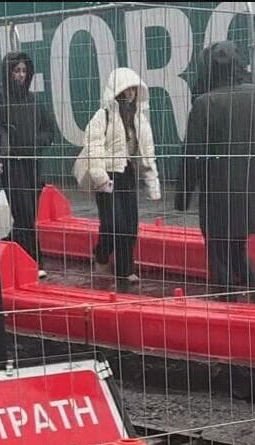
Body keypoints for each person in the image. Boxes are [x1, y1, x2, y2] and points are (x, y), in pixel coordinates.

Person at [179, 40, 255, 294]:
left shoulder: (204, 103)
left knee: (218, 253)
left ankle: (228, 299)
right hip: (251, 190)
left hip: (217, 193)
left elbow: (192, 155)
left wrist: (184, 196)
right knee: (238, 245)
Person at [76, 67, 160, 286]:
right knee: (114, 223)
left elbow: (147, 151)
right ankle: (102, 253)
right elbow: (93, 147)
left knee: (130, 225)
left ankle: (125, 270)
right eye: (126, 89)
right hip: (107, 175)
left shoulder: (138, 118)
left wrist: (152, 182)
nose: (130, 93)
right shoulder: (102, 116)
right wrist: (101, 178)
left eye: (133, 89)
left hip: (127, 174)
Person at [0, 51, 58, 275]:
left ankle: (11, 247)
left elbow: (49, 130)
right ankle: (34, 262)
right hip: (11, 165)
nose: (21, 75)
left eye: (24, 71)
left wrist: (37, 143)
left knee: (28, 214)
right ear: (8, 73)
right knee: (24, 213)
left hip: (32, 164)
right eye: (16, 71)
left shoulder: (34, 101)